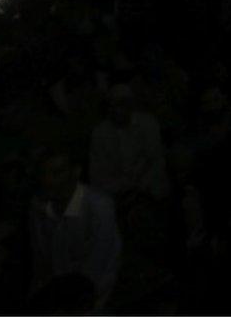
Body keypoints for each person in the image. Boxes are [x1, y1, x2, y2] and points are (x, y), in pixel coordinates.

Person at [29, 147, 122, 309]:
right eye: (44, 174)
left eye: (57, 172)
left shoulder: (99, 206)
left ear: (76, 172)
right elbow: (41, 254)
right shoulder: (38, 205)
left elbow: (99, 264)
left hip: (90, 291)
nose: (49, 180)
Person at [89, 83, 170, 201]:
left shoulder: (149, 124)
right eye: (113, 103)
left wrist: (141, 185)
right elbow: (97, 173)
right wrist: (123, 188)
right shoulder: (99, 133)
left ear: (131, 104)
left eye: (122, 103)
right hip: (116, 194)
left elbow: (157, 160)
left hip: (150, 189)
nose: (117, 108)